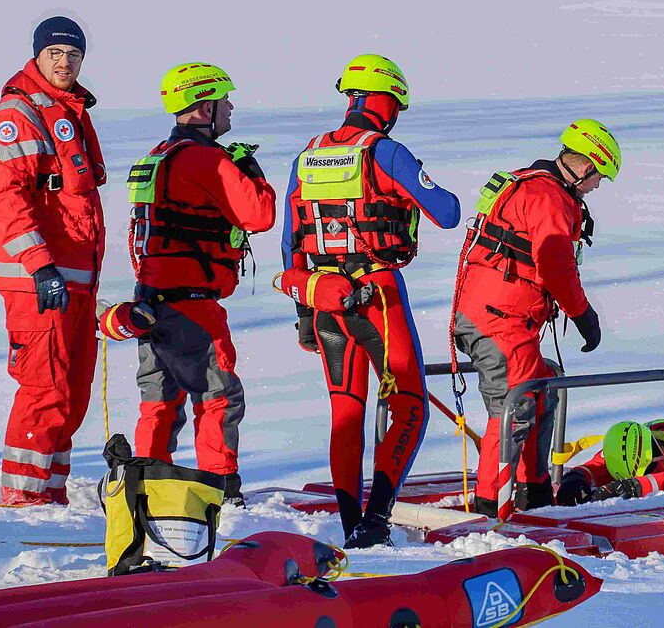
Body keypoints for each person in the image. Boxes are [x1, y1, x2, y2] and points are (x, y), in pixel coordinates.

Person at [280, 54, 460, 549]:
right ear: (389, 103)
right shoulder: (386, 151)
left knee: (346, 410)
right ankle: (375, 517)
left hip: (322, 299)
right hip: (377, 294)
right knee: (410, 404)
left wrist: (303, 315)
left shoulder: (307, 155)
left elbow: (291, 239)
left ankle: (347, 522)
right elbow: (446, 213)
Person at [103, 62, 275, 507]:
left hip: (150, 301)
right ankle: (220, 489)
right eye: (224, 100)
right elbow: (260, 215)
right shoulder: (208, 160)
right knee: (219, 396)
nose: (231, 108)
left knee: (159, 401)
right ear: (204, 107)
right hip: (193, 304)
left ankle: (147, 486)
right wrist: (252, 173)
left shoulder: (155, 157)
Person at [451, 119, 621, 518]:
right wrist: (584, 316)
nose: (597, 187)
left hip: (500, 316)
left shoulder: (535, 186)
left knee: (544, 385)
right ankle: (492, 506)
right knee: (515, 403)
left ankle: (534, 489)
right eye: (599, 178)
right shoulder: (548, 199)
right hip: (498, 318)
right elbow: (555, 265)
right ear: (586, 167)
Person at [0, 16, 106, 505]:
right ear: (37, 55)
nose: (65, 62)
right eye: (55, 53)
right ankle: (23, 501)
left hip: (75, 277)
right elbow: (4, 198)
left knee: (72, 391)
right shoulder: (18, 113)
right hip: (38, 278)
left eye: (73, 54)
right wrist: (39, 265)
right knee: (45, 386)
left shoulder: (70, 110)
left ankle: (49, 496)